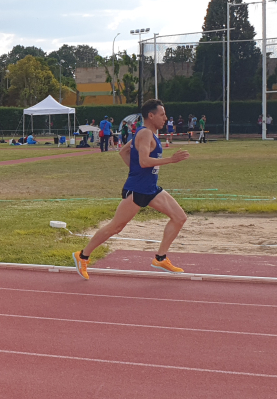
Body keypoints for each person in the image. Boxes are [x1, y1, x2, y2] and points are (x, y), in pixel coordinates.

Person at [72, 99, 190, 280]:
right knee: (116, 227)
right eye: (162, 114)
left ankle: (160, 258)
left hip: (151, 189)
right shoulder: (144, 134)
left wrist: (136, 171)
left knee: (179, 217)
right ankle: (83, 255)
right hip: (137, 190)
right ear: (151, 116)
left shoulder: (147, 134)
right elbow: (143, 161)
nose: (165, 118)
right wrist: (170, 160)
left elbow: (123, 152)